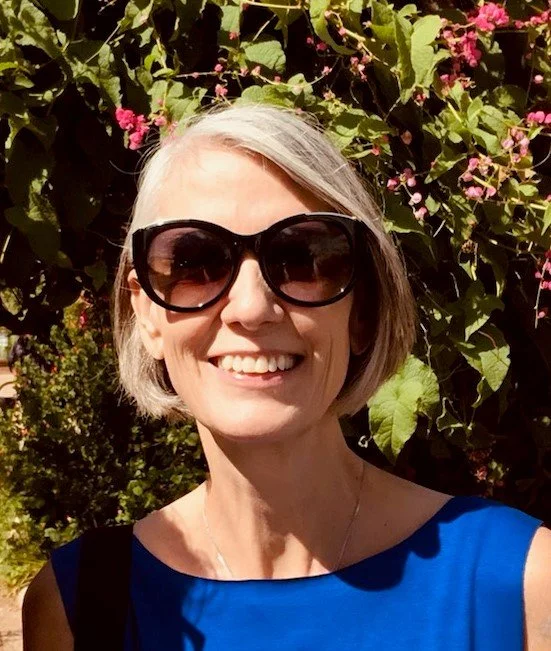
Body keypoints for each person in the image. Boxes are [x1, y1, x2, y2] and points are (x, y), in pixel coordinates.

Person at [22, 104, 551, 650]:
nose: (251, 309)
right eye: (194, 261)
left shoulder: (519, 588)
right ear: (147, 314)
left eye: (302, 257)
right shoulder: (79, 608)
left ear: (362, 312)